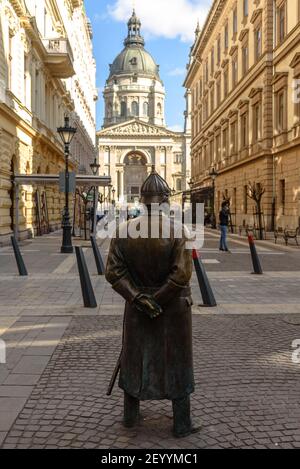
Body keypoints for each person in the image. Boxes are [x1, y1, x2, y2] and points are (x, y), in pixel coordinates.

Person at [105, 167, 199, 438]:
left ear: (142, 201)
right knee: (178, 361)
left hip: (137, 306)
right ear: (166, 200)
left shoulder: (122, 230)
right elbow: (182, 274)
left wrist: (139, 298)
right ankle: (182, 423)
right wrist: (157, 300)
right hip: (173, 307)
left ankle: (130, 416)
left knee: (134, 357)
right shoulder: (178, 229)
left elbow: (113, 272)